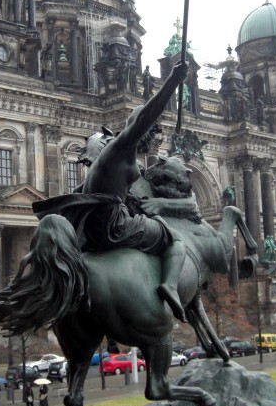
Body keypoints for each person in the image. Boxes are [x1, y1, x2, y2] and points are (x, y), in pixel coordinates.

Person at [34, 61, 188, 321]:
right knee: (174, 238)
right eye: (147, 129)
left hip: (94, 227)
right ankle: (169, 287)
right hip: (114, 226)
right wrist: (172, 80)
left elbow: (82, 194)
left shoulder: (108, 157)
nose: (150, 134)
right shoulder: (122, 147)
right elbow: (145, 116)